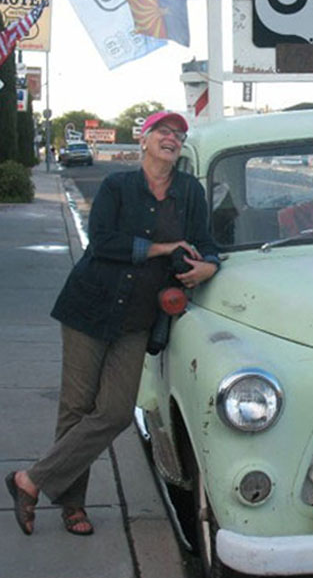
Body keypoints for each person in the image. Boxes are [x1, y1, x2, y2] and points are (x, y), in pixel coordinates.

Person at [5, 110, 219, 537]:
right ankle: (72, 506)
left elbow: (206, 243)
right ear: (144, 139)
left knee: (117, 411)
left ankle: (30, 480)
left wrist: (209, 267)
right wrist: (164, 248)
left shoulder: (189, 191)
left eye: (178, 135)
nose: (172, 139)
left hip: (138, 318)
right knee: (76, 408)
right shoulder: (117, 186)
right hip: (90, 306)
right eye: (163, 131)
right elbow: (103, 241)